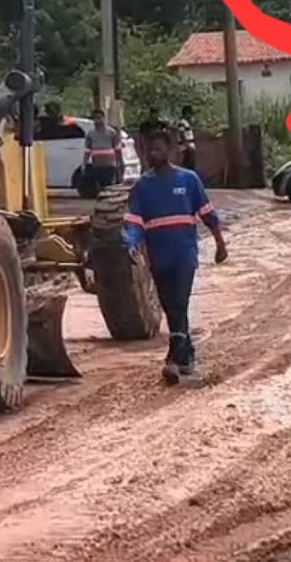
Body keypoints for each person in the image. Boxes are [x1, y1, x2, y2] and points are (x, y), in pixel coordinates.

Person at [122, 128, 228, 384]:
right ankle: (187, 354)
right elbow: (134, 223)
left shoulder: (189, 180)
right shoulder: (142, 187)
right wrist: (131, 244)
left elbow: (208, 214)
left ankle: (174, 360)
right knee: (171, 307)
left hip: (184, 254)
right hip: (159, 257)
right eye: (150, 150)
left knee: (179, 302)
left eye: (158, 149)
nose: (154, 154)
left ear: (170, 151)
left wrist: (220, 244)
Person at [84, 108, 124, 189]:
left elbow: (117, 148)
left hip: (109, 164)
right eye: (95, 118)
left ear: (103, 118)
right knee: (99, 185)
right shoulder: (90, 134)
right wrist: (84, 163)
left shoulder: (111, 132)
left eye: (99, 118)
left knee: (109, 185)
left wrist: (120, 162)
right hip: (97, 164)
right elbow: (87, 150)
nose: (97, 121)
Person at [175, 106, 197, 175]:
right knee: (188, 166)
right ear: (186, 113)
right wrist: (187, 145)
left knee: (190, 166)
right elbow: (182, 134)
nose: (191, 116)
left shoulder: (187, 123)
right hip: (186, 148)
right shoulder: (182, 122)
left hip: (190, 147)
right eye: (190, 114)